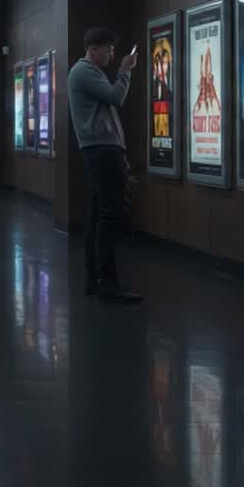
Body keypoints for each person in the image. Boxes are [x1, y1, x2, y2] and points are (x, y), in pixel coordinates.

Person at [67, 27, 142, 304]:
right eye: (108, 49)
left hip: (101, 150)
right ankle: (107, 281)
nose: (112, 54)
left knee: (100, 213)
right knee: (111, 214)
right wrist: (126, 71)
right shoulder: (85, 71)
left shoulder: (87, 72)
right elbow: (116, 97)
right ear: (93, 48)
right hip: (102, 150)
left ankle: (95, 277)